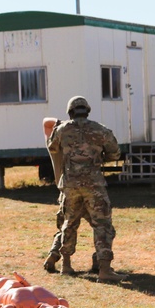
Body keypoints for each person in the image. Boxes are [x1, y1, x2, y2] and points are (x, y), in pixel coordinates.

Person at [46, 96, 122, 281]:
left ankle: (66, 265)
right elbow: (115, 153)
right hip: (94, 185)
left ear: (70, 112)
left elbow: (52, 148)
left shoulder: (63, 129)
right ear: (87, 111)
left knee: (69, 223)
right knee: (102, 225)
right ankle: (104, 269)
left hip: (70, 185)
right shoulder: (100, 129)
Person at [41, 117, 97, 274]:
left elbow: (46, 123)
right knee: (101, 227)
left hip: (66, 193)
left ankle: (53, 255)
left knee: (66, 228)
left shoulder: (54, 145)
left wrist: (61, 124)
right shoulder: (81, 147)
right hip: (88, 192)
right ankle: (98, 259)